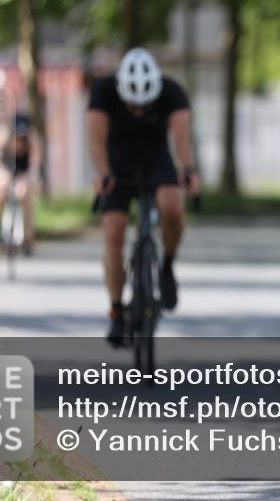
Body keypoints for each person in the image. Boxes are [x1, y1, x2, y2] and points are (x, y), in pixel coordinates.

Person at [87, 48, 201, 347]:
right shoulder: (103, 91)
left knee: (173, 207)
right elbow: (96, 139)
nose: (138, 110)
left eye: (144, 106)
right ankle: (115, 310)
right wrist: (102, 173)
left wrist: (188, 170)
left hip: (156, 159)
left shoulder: (173, 91)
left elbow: (181, 138)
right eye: (132, 105)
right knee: (113, 232)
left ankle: (167, 265)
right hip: (117, 162)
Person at [0, 111, 40, 253]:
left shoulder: (32, 140)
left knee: (24, 194)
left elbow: (34, 164)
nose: (20, 138)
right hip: (5, 168)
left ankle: (28, 238)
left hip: (23, 170)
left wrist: (34, 178)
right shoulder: (2, 137)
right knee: (2, 190)